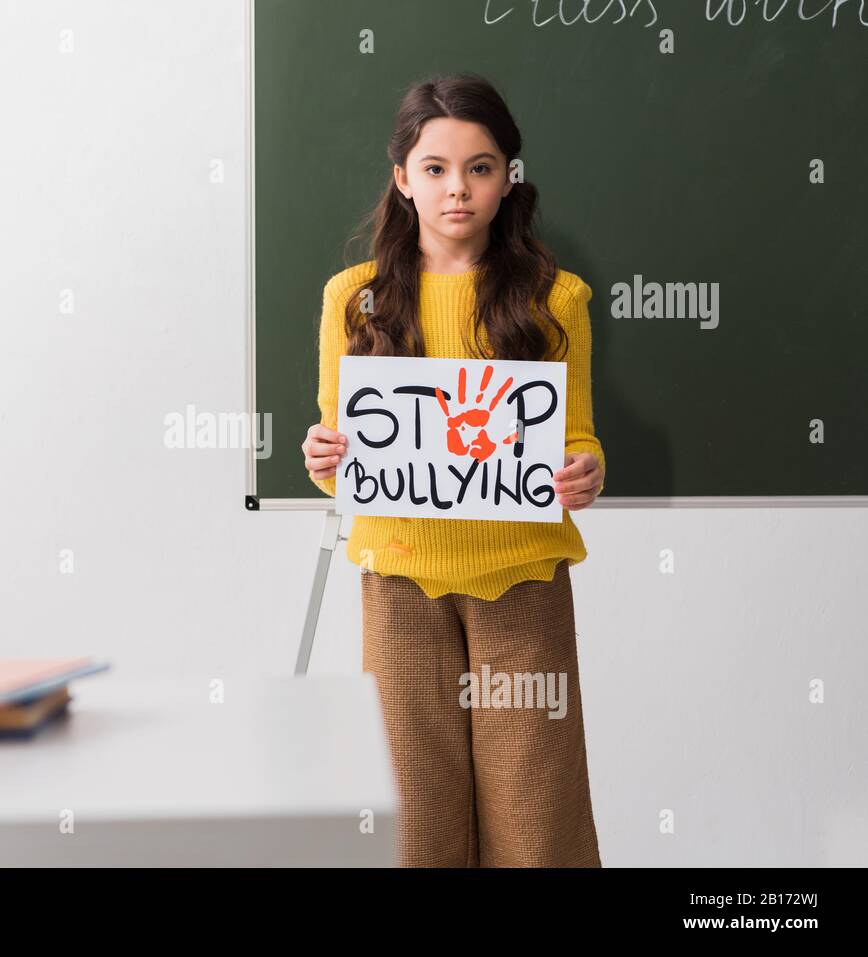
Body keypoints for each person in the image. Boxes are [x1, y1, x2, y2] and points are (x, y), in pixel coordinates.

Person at [301, 72, 605, 867]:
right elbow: (341, 453)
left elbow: (578, 437)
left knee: (535, 816)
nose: (458, 189)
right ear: (402, 179)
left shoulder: (556, 298)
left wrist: (585, 470)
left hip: (521, 580)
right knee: (413, 821)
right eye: (434, 168)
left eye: (480, 166)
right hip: (399, 580)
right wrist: (321, 454)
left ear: (510, 178)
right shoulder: (352, 300)